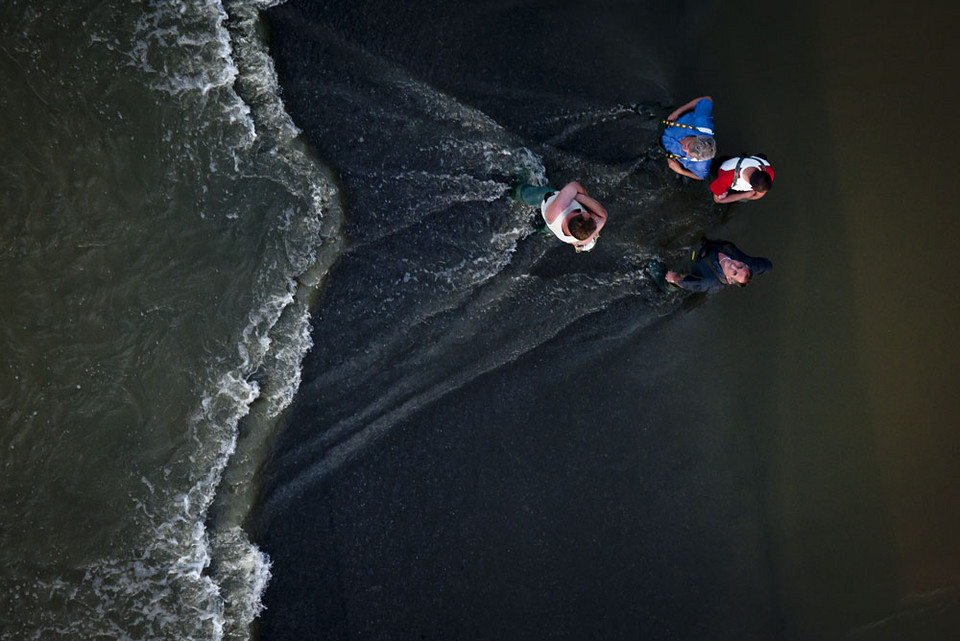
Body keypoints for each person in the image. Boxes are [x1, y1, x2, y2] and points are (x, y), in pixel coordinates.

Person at [647, 238, 773, 294]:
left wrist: (674, 278)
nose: (734, 266)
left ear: (729, 279)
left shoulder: (708, 281)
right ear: (743, 264)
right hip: (705, 246)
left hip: (695, 264)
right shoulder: (750, 266)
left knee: (671, 279)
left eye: (734, 273)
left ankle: (666, 287)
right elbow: (766, 265)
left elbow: (687, 284)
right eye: (739, 266)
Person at [513, 181, 608, 252]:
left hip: (546, 202)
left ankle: (514, 189)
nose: (588, 213)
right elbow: (603, 215)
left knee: (525, 193)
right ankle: (543, 230)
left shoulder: (558, 210)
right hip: (557, 230)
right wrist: (582, 199)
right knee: (548, 229)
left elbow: (574, 185)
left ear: (574, 213)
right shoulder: (580, 240)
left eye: (582, 212)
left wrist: (576, 196)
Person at [659, 96, 716, 180]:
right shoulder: (702, 122)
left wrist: (681, 171)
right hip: (665, 124)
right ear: (697, 136)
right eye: (688, 145)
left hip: (660, 146)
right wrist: (678, 112)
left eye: (689, 154)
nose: (684, 148)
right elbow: (707, 99)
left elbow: (701, 177)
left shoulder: (701, 166)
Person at [709, 155, 775, 203]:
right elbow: (718, 200)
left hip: (737, 161)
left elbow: (759, 194)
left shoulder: (768, 169)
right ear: (752, 188)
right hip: (721, 168)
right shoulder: (726, 179)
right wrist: (745, 195)